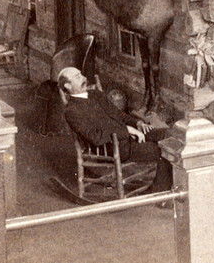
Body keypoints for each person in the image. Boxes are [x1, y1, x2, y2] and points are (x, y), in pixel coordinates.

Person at [57, 66, 172, 194]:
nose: (84, 78)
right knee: (165, 151)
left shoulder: (95, 94)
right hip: (114, 147)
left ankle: (165, 186)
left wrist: (137, 123)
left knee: (168, 135)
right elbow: (95, 137)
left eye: (81, 74)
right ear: (68, 85)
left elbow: (118, 114)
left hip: (128, 136)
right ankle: (159, 192)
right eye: (77, 77)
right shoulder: (72, 111)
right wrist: (126, 130)